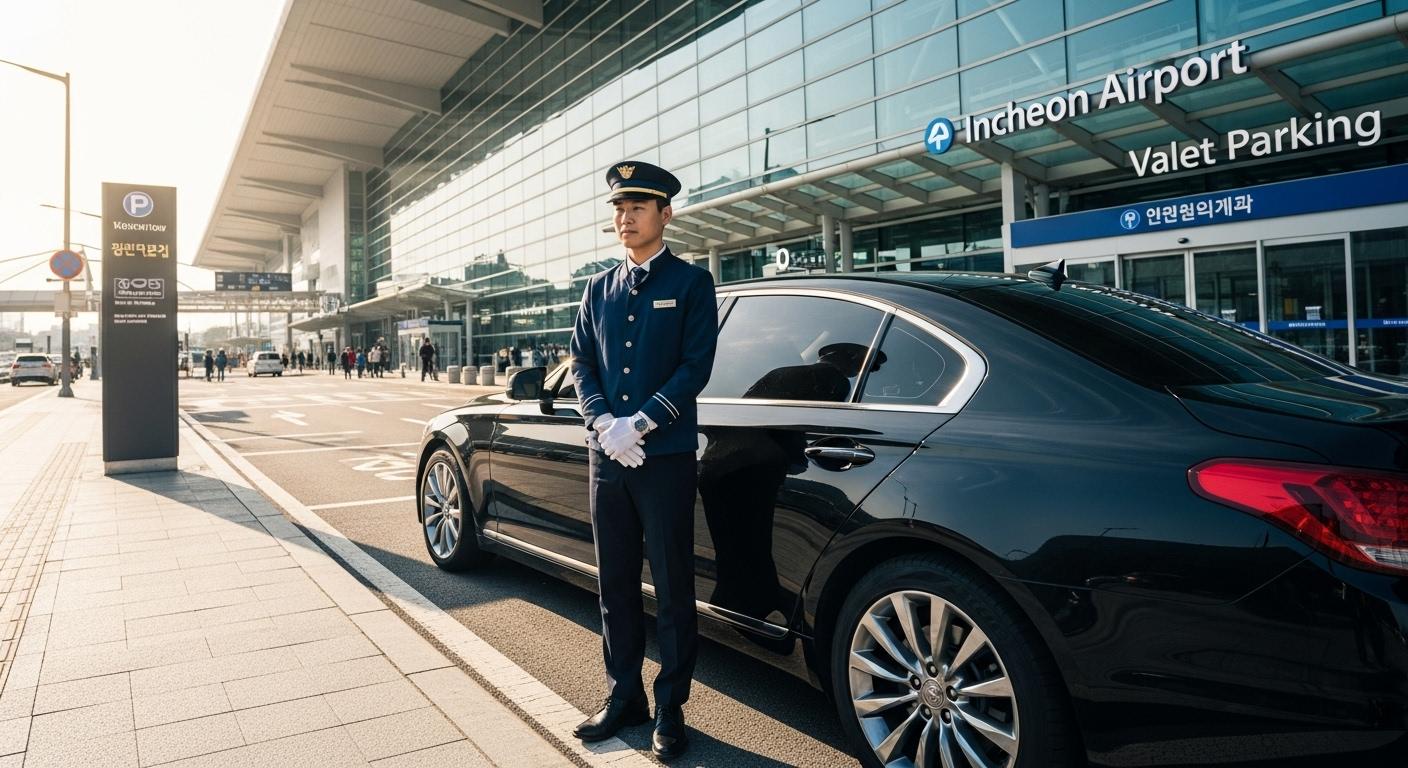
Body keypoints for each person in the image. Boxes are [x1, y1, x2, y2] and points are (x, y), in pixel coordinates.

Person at [569, 161, 718, 760]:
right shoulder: (597, 288)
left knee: (673, 587)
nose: (625, 218)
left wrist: (642, 421)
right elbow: (582, 362)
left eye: (637, 207)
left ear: (665, 214)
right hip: (608, 458)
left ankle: (671, 708)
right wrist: (604, 423)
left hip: (665, 458)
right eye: (619, 208)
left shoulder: (691, 282)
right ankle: (623, 695)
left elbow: (695, 367)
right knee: (614, 584)